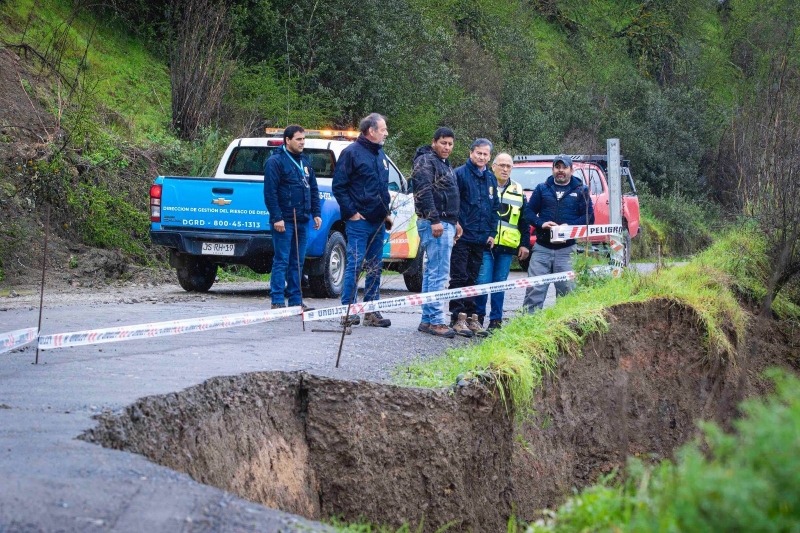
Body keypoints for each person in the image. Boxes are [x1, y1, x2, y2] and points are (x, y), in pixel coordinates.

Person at [332, 113, 393, 328]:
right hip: (358, 222)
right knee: (355, 265)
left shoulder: (380, 155)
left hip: (378, 222)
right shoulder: (351, 154)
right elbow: (339, 187)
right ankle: (347, 309)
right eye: (383, 129)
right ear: (371, 131)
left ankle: (371, 310)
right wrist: (352, 213)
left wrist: (386, 212)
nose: (386, 132)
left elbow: (381, 188)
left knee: (376, 267)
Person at [523, 154, 594, 313]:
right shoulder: (542, 188)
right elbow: (528, 213)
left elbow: (589, 217)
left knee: (567, 290)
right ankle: (528, 326)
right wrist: (541, 223)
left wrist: (570, 227)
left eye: (564, 167)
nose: (560, 171)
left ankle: (563, 327)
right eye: (557, 167)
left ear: (571, 169)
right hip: (541, 249)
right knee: (534, 289)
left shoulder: (581, 190)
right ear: (553, 169)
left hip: (567, 251)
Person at [263, 125, 322, 310]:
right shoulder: (275, 162)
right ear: (287, 140)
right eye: (298, 139)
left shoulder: (305, 161)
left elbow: (312, 188)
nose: (302, 142)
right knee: (282, 259)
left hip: (302, 219)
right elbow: (270, 193)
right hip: (284, 220)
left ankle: (296, 300)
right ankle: (277, 300)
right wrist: (277, 217)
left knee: (298, 261)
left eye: (303, 139)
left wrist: (316, 213)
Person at [411, 127, 463, 338]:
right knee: (439, 274)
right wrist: (434, 220)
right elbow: (423, 192)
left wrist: (455, 221)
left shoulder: (443, 164)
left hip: (446, 221)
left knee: (433, 272)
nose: (447, 147)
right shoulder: (426, 161)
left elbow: (447, 194)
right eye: (443, 143)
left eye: (450, 144)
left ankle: (427, 318)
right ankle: (436, 321)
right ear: (434, 142)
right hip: (436, 223)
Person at [448, 139, 500, 338]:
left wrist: (491, 233)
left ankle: (471, 316)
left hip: (481, 237)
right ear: (471, 153)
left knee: (473, 279)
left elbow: (494, 207)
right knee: (459, 277)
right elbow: (453, 203)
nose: (482, 157)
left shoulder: (490, 178)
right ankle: (457, 317)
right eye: (479, 153)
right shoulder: (460, 174)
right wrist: (456, 224)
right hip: (462, 236)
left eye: (486, 154)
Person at [474, 152, 530, 331]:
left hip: (507, 247)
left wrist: (525, 244)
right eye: (502, 165)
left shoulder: (518, 189)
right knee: (483, 283)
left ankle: (496, 321)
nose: (505, 169)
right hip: (485, 244)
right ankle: (478, 319)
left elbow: (524, 220)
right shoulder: (484, 185)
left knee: (500, 285)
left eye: (508, 166)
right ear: (493, 167)